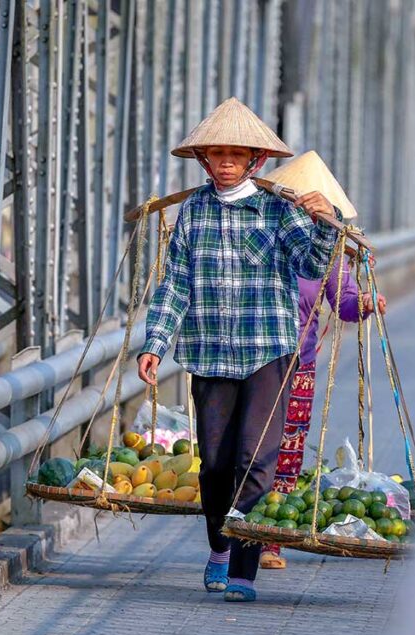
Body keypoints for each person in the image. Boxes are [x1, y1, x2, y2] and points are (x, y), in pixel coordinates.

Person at [137, 98, 339, 603]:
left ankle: (244, 568)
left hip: (268, 352)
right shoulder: (194, 213)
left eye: (237, 154)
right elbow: (175, 284)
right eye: (217, 154)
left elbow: (311, 266)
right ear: (204, 161)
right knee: (215, 464)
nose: (226, 162)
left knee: (257, 459)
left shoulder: (278, 209)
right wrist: (155, 344)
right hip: (209, 353)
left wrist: (324, 222)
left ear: (256, 161)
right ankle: (219, 548)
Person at [258, 260, 387, 569]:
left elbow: (345, 303)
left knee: (286, 452)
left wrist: (364, 303)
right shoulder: (262, 225)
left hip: (298, 364)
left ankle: (270, 540)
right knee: (247, 449)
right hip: (252, 362)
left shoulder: (329, 247)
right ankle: (228, 539)